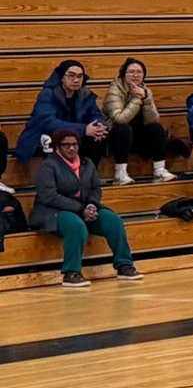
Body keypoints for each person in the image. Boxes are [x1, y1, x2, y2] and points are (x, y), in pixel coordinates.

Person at [34, 129, 142, 288]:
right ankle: (71, 273)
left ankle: (124, 265)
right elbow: (49, 196)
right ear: (57, 147)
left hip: (84, 208)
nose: (71, 148)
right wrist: (80, 209)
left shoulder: (87, 163)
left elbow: (95, 188)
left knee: (113, 221)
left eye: (75, 145)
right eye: (66, 145)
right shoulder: (48, 166)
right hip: (53, 211)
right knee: (76, 226)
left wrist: (91, 204)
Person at [20, 60, 110, 166]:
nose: (76, 80)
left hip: (74, 136)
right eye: (71, 76)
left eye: (80, 76)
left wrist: (98, 126)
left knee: (97, 137)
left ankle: (88, 175)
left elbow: (95, 115)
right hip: (44, 138)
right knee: (72, 140)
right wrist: (84, 129)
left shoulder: (85, 94)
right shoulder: (48, 94)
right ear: (61, 77)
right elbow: (48, 123)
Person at [103, 58, 177, 185]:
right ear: (123, 74)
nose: (135, 75)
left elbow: (153, 119)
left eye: (139, 72)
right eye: (131, 72)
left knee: (156, 128)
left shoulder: (145, 91)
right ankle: (120, 174)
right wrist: (137, 99)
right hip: (114, 135)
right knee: (123, 129)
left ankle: (159, 170)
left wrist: (146, 99)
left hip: (136, 134)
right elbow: (119, 119)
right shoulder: (114, 90)